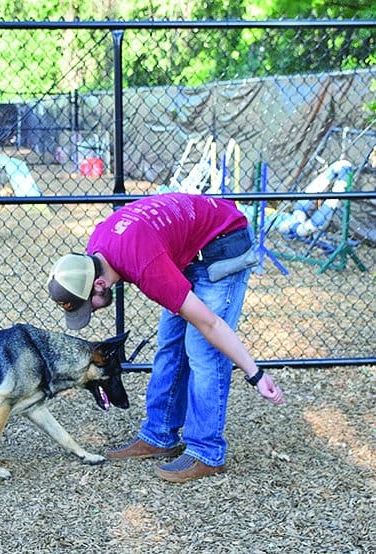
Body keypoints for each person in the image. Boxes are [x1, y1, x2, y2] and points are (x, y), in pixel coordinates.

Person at [47, 192, 284, 483]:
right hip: (185, 252)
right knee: (171, 345)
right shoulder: (97, 249)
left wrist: (255, 374)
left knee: (203, 349)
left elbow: (211, 325)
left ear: (99, 283)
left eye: (89, 305)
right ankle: (159, 435)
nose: (91, 311)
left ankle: (206, 452)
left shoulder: (144, 266)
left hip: (223, 243)